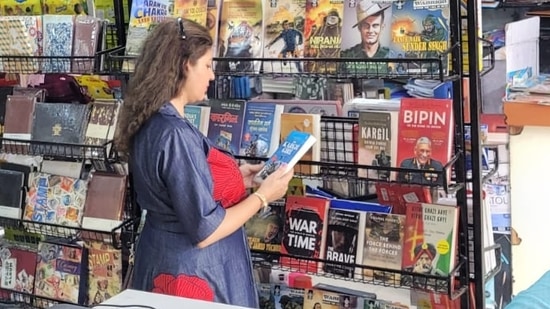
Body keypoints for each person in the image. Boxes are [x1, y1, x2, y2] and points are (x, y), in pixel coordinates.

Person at [115, 18, 294, 308]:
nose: (212, 76)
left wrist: (239, 178)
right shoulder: (175, 134)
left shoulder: (151, 120)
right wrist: (263, 197)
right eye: (208, 65)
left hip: (160, 258)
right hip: (194, 272)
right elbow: (205, 229)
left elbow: (176, 185)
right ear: (186, 64)